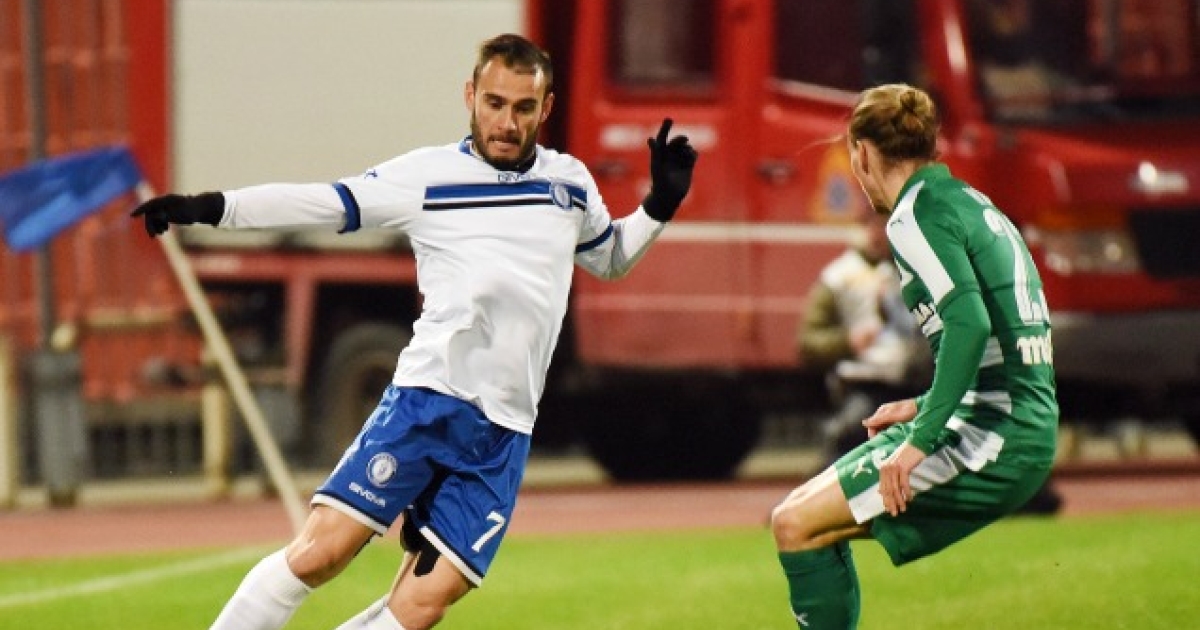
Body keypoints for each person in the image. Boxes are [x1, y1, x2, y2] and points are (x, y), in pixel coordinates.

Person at [132, 33, 697, 630]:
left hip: (505, 431)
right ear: (470, 96)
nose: (507, 122)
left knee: (425, 603)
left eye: (523, 107)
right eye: (494, 103)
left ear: (546, 108)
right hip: (429, 402)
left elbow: (609, 257)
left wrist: (658, 205)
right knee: (322, 553)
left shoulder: (569, 184)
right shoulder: (428, 177)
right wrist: (208, 207)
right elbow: (324, 203)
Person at [770, 83, 1058, 629]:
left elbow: (969, 324)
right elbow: (1006, 341)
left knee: (796, 525)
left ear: (861, 153)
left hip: (994, 435)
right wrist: (925, 405)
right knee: (797, 520)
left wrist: (920, 440)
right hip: (1010, 422)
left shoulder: (912, 216)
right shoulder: (972, 204)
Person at [798, 210, 929, 469]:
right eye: (876, 227)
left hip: (916, 383)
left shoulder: (916, 272)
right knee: (848, 442)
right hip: (866, 383)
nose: (882, 235)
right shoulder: (840, 276)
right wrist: (848, 342)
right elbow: (809, 342)